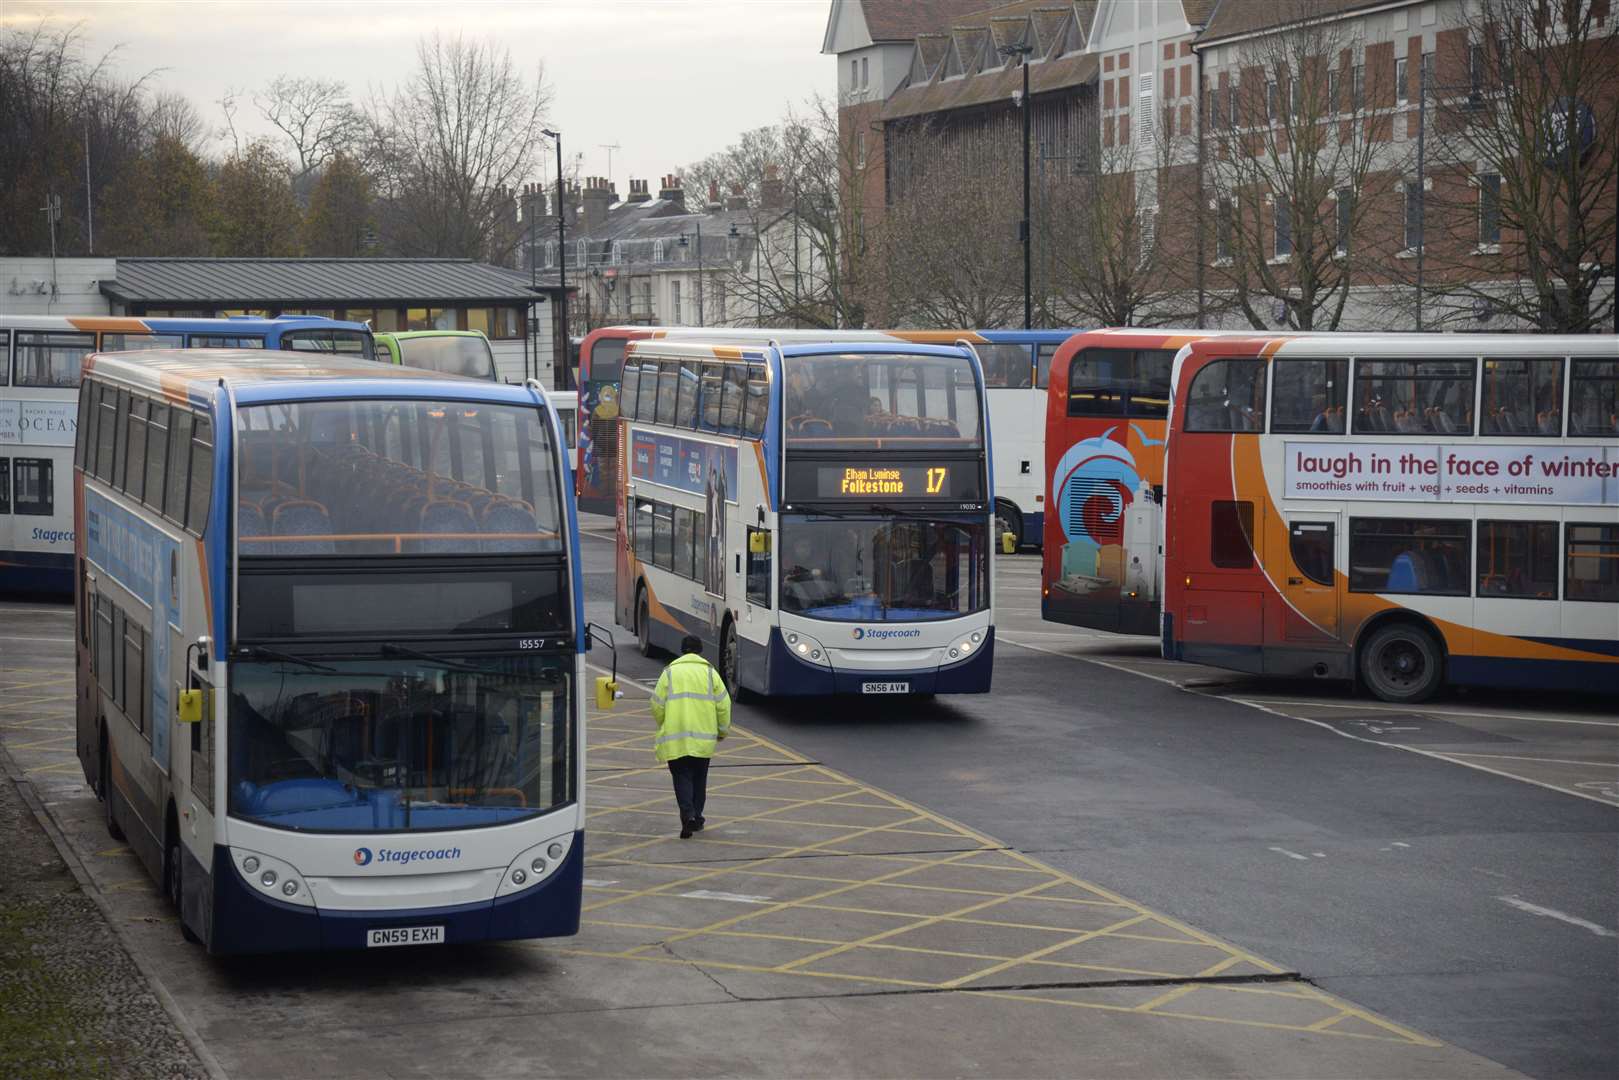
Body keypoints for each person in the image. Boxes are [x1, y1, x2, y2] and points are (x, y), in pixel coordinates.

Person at [650, 635, 732, 839]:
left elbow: (657, 705)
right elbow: (724, 705)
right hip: (703, 739)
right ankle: (697, 816)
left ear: (682, 650)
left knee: (681, 777)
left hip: (676, 738)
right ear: (700, 651)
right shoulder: (710, 673)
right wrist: (722, 731)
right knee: (699, 779)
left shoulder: (669, 673)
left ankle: (688, 815)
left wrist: (664, 723)